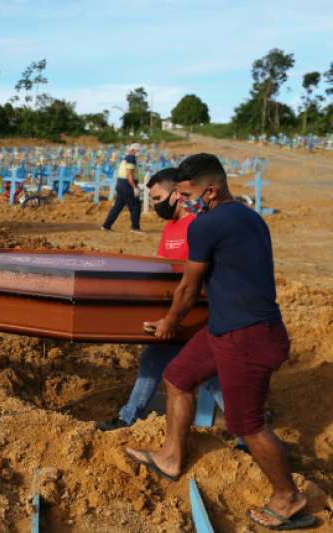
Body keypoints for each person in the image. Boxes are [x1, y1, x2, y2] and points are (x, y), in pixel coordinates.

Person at [127, 154, 316, 530]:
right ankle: (171, 456)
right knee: (179, 376)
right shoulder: (250, 216)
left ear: (210, 191)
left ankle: (288, 496)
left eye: (185, 193)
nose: (181, 201)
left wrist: (168, 323)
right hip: (228, 327)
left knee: (246, 424)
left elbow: (188, 287)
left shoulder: (206, 225)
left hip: (245, 336)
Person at [97, 168, 223, 431]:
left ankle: (251, 434)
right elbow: (163, 270)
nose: (155, 205)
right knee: (153, 359)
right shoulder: (170, 229)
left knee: (210, 375)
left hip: (200, 312)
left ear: (176, 195)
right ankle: (128, 418)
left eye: (157, 198)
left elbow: (197, 277)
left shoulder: (198, 226)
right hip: (174, 311)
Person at [101, 143, 143, 232]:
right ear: (133, 150)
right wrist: (134, 187)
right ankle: (135, 228)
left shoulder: (126, 158)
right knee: (135, 206)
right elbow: (129, 174)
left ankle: (106, 226)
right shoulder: (131, 159)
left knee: (118, 206)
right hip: (127, 185)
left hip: (121, 184)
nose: (138, 153)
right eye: (138, 151)